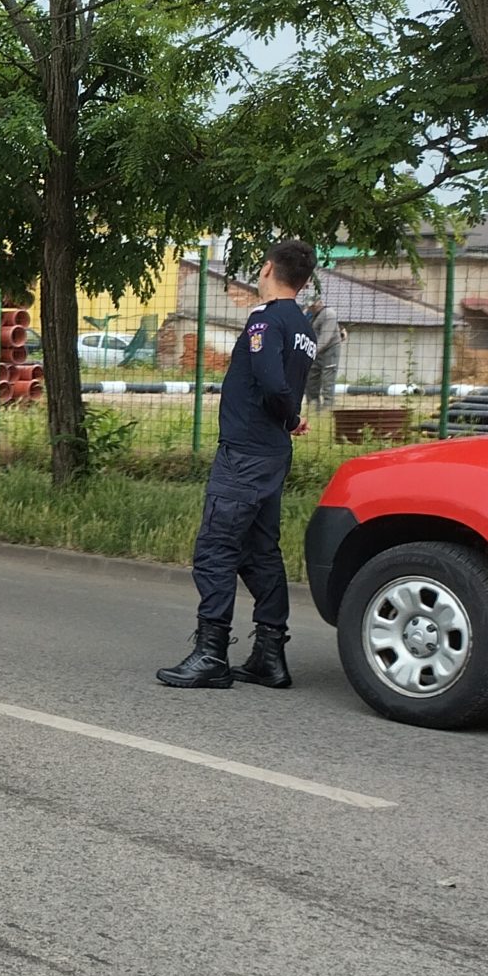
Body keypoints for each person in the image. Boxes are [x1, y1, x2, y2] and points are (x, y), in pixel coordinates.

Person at [159, 239, 319, 690]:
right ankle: (270, 655)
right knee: (259, 552)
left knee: (216, 549)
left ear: (268, 268)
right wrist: (288, 418)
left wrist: (289, 416)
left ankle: (211, 654)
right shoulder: (303, 325)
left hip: (244, 454)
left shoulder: (265, 321)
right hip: (270, 455)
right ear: (304, 280)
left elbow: (269, 378)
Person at [303, 285, 346, 412]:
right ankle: (313, 407)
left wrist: (310, 352)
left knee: (328, 380)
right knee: (310, 380)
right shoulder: (307, 314)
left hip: (329, 350)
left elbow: (325, 339)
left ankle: (328, 408)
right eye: (309, 306)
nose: (311, 308)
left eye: (313, 305)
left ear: (320, 302)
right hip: (314, 351)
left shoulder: (329, 314)